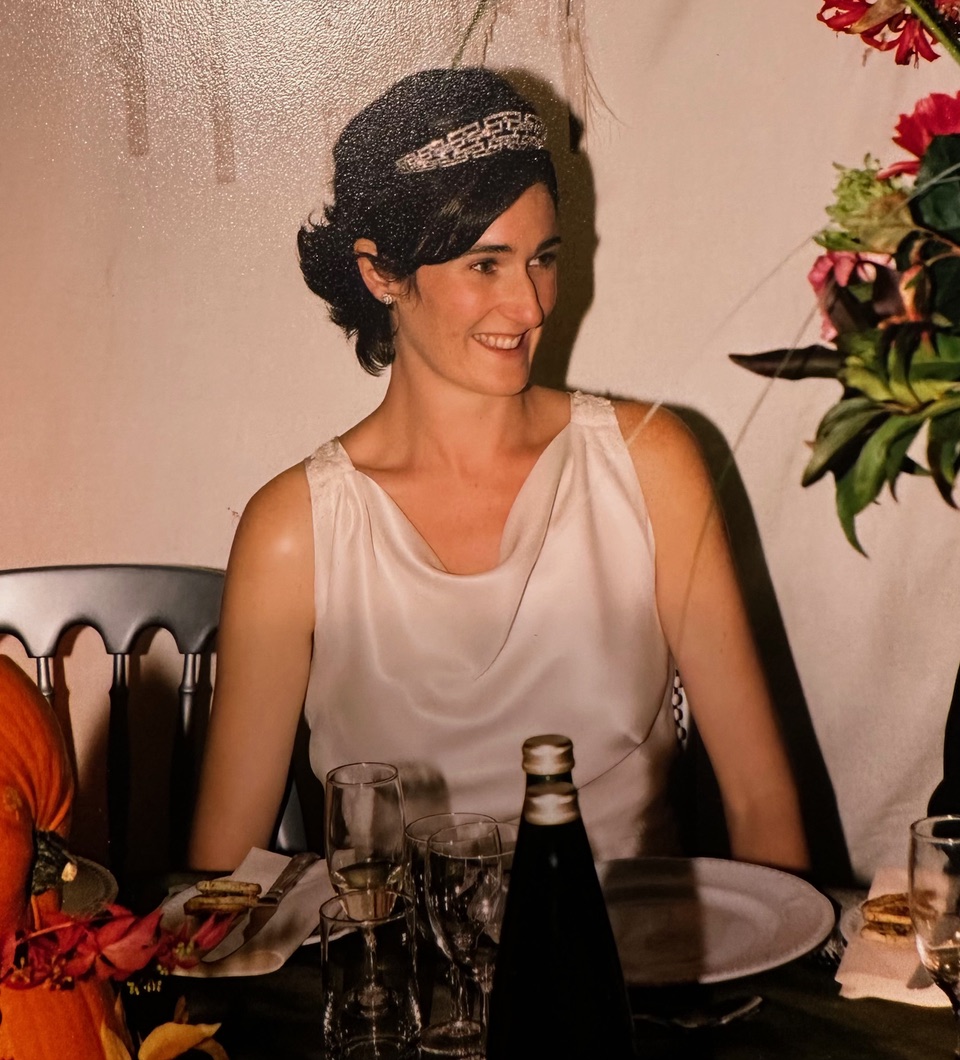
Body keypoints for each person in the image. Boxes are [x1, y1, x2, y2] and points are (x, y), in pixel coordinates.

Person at [188, 67, 809, 873]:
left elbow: (763, 805)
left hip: (631, 976)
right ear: (381, 273)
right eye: (486, 265)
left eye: (542, 257)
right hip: (405, 983)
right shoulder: (294, 529)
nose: (530, 305)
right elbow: (221, 870)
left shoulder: (652, 463)